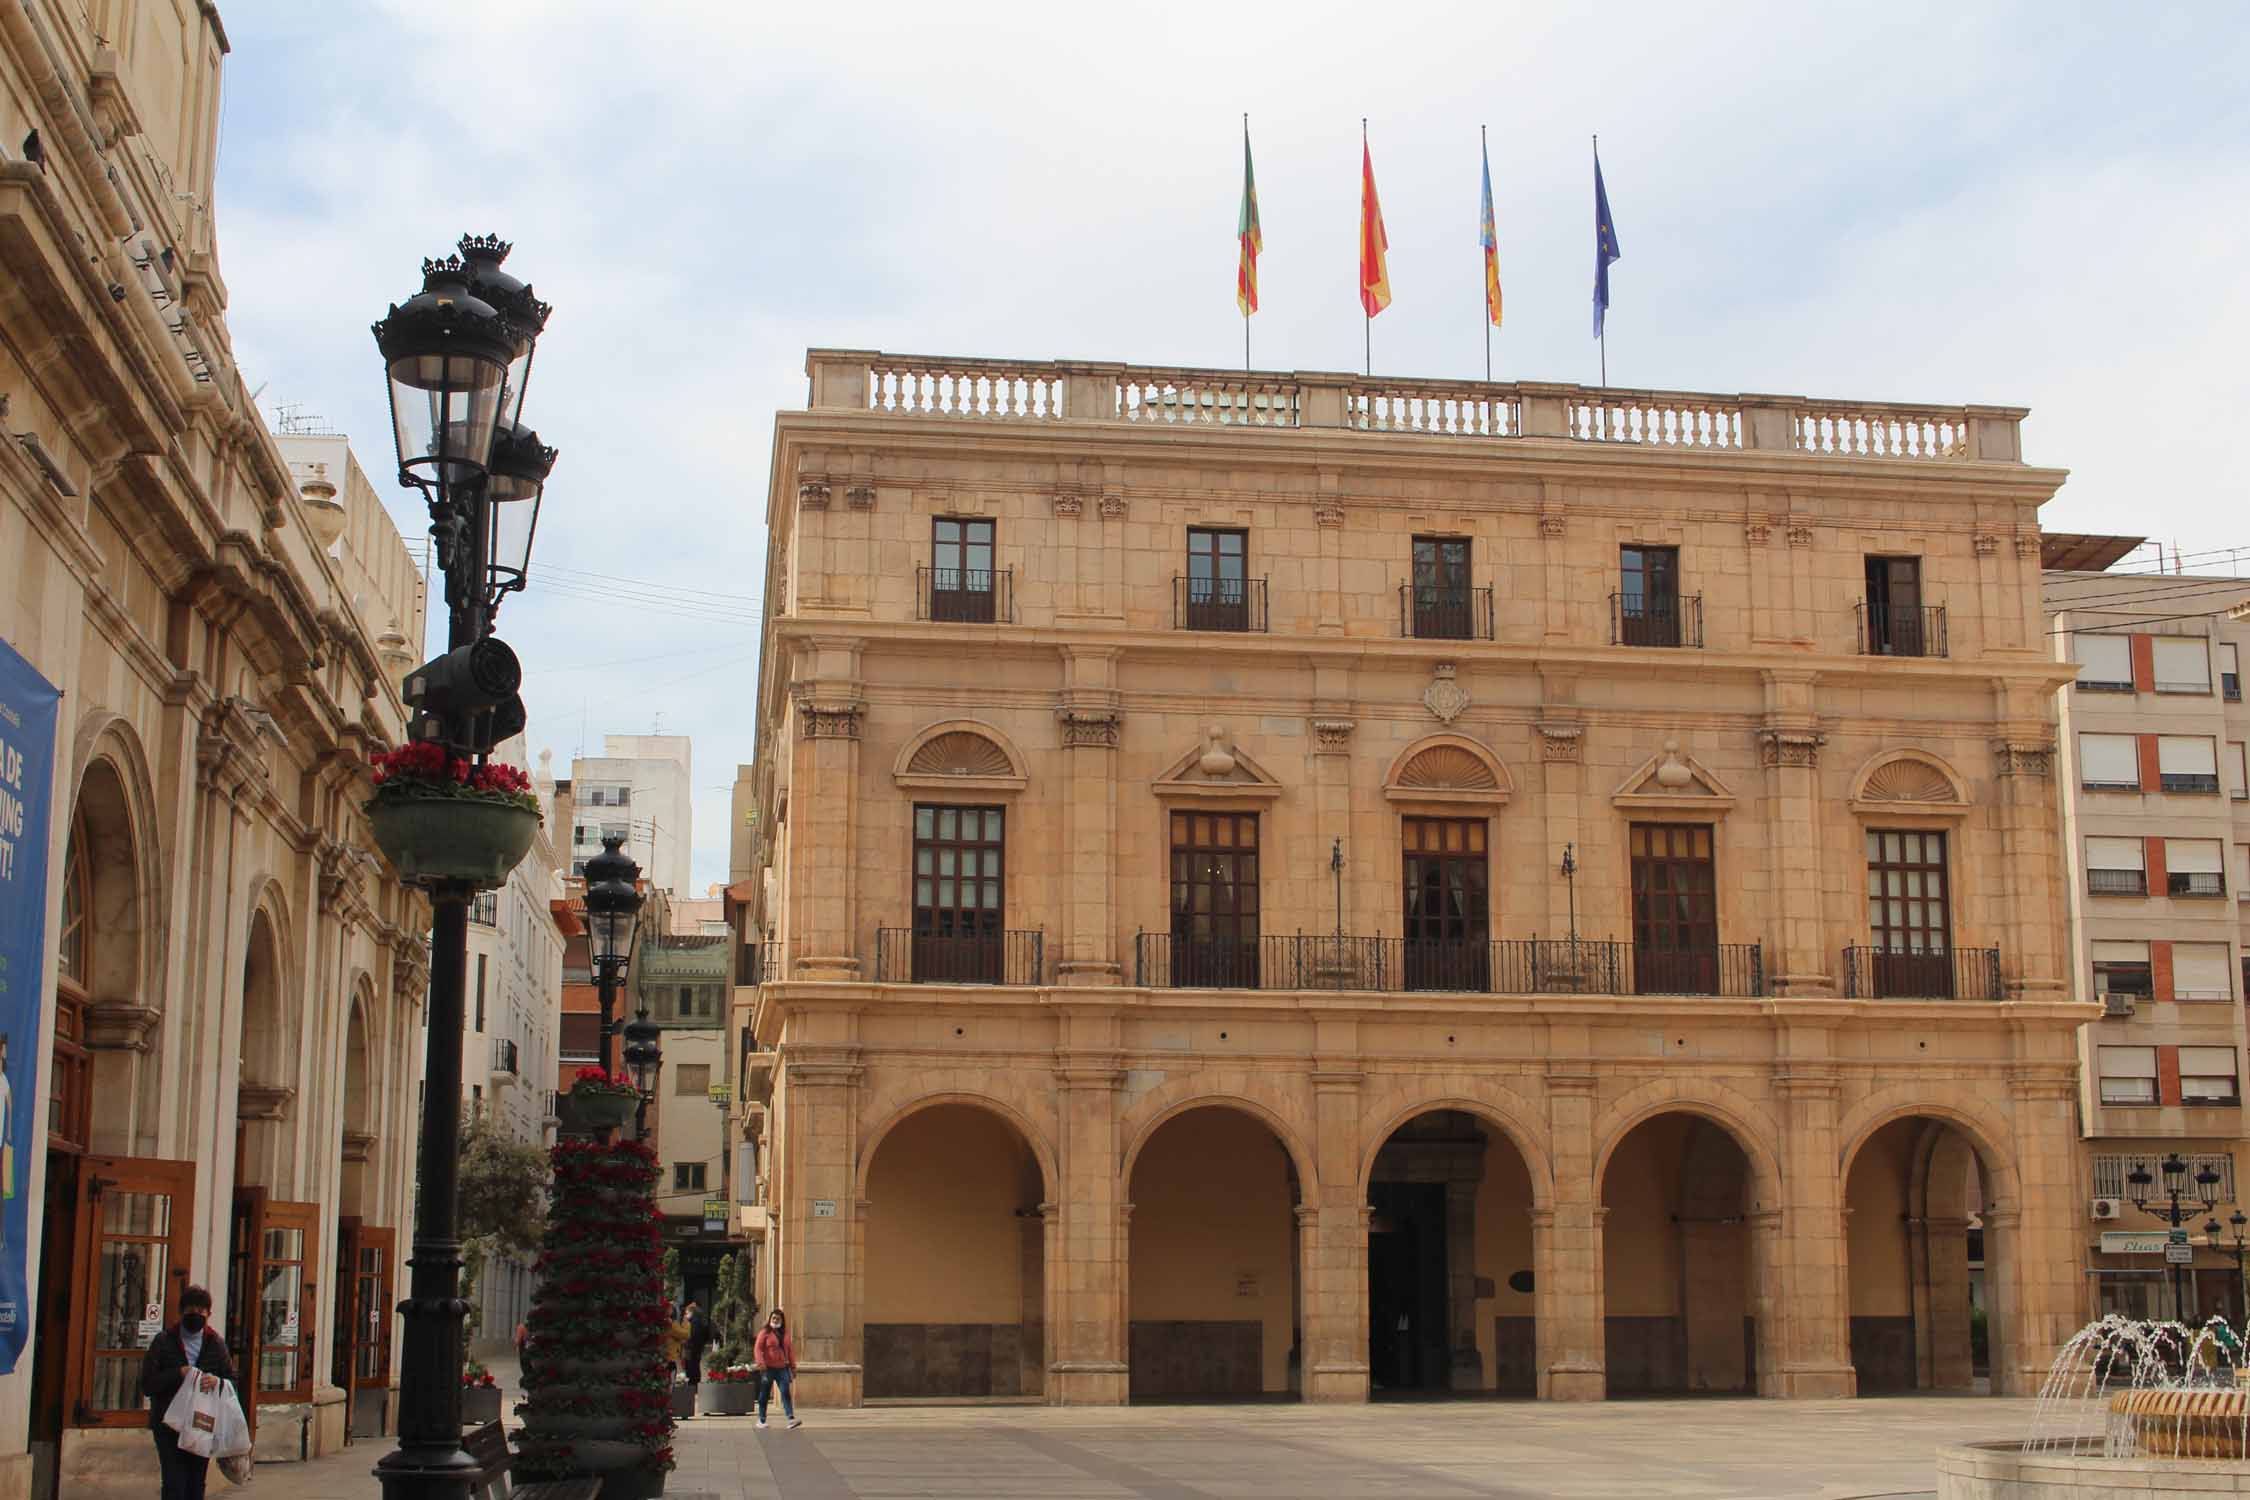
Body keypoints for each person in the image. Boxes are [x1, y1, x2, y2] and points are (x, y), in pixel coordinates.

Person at [140, 1285, 237, 1500]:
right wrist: (178, 1373)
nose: (196, 1316)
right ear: (181, 1312)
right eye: (191, 1311)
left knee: (195, 1483)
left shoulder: (216, 1344)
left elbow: (231, 1380)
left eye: (201, 1312)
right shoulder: (163, 1342)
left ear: (209, 1314)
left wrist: (217, 1382)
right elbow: (148, 1384)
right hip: (168, 1423)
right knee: (174, 1482)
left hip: (202, 1423)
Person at [754, 1306, 800, 1430]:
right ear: (770, 1319)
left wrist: (793, 1367)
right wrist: (761, 1363)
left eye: (777, 1318)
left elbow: (789, 1351)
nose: (775, 1320)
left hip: (782, 1368)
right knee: (764, 1394)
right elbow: (758, 1348)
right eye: (773, 1318)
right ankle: (761, 1419)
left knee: (785, 1392)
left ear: (782, 1320)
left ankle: (791, 1418)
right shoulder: (765, 1332)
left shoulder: (785, 1333)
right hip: (767, 1369)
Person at [680, 1299, 711, 1414]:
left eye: (686, 1313)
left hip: (690, 1349)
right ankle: (695, 1390)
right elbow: (707, 1335)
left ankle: (692, 1390)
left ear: (691, 1313)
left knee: (690, 1370)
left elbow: (689, 1336)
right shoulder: (701, 1321)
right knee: (695, 1368)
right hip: (698, 1349)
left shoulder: (691, 1323)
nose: (685, 1315)